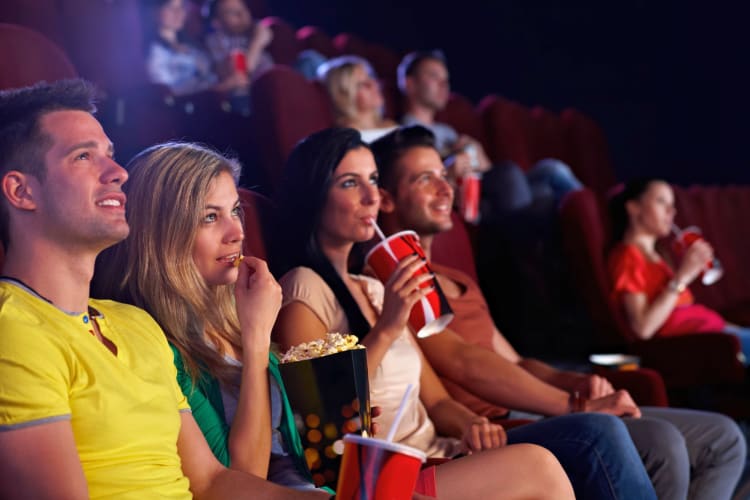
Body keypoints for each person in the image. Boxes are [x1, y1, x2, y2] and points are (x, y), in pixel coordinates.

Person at [269, 127, 653, 499]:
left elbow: (436, 403)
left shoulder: (372, 288)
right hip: (382, 475)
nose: (372, 196)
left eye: (373, 179)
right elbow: (325, 424)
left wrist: (471, 424)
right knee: (541, 464)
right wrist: (387, 328)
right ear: (315, 196)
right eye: (351, 183)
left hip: (439, 451)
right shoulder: (302, 288)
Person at [371, 126, 748, 500]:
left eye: (442, 174)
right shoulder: (391, 285)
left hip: (531, 405)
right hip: (495, 425)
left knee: (724, 438)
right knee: (659, 440)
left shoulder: (456, 277)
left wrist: (574, 382)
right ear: (385, 199)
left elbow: (516, 362)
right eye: (424, 179)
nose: (445, 188)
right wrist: (576, 405)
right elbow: (463, 361)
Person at [0, 79, 331, 499]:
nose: (118, 173)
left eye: (111, 155)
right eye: (83, 156)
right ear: (21, 191)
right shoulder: (14, 330)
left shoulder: (135, 324)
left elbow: (212, 482)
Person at [93, 142, 329, 491]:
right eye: (210, 217)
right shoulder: (154, 344)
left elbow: (287, 448)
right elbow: (242, 478)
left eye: (235, 211)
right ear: (163, 235)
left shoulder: (233, 314)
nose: (237, 233)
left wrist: (342, 429)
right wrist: (257, 339)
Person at [397, 50, 582, 215]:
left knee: (551, 171)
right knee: (513, 177)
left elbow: (487, 170)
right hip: (472, 196)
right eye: (434, 76)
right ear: (409, 83)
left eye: (446, 79)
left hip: (492, 187)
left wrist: (475, 150)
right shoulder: (405, 131)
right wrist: (451, 164)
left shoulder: (447, 131)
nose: (443, 84)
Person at [608, 178, 750, 365]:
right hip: (706, 345)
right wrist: (683, 276)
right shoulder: (628, 257)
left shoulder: (657, 257)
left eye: (672, 205)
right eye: (661, 201)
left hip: (723, 335)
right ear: (634, 207)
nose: (671, 211)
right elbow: (643, 328)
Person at [144, 0, 250, 97]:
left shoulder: (192, 46)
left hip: (219, 99)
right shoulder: (155, 54)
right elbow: (168, 93)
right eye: (170, 7)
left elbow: (210, 75)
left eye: (181, 7)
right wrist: (221, 88)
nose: (178, 12)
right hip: (194, 110)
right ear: (155, 12)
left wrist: (226, 70)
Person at [317, 56, 397, 142]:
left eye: (371, 78)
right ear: (344, 95)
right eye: (363, 84)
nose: (374, 85)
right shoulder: (349, 136)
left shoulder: (390, 125)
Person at [202, 0, 274, 82]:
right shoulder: (214, 41)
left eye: (244, 8)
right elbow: (241, 73)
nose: (242, 14)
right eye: (232, 12)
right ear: (217, 22)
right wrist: (257, 42)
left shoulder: (255, 30)